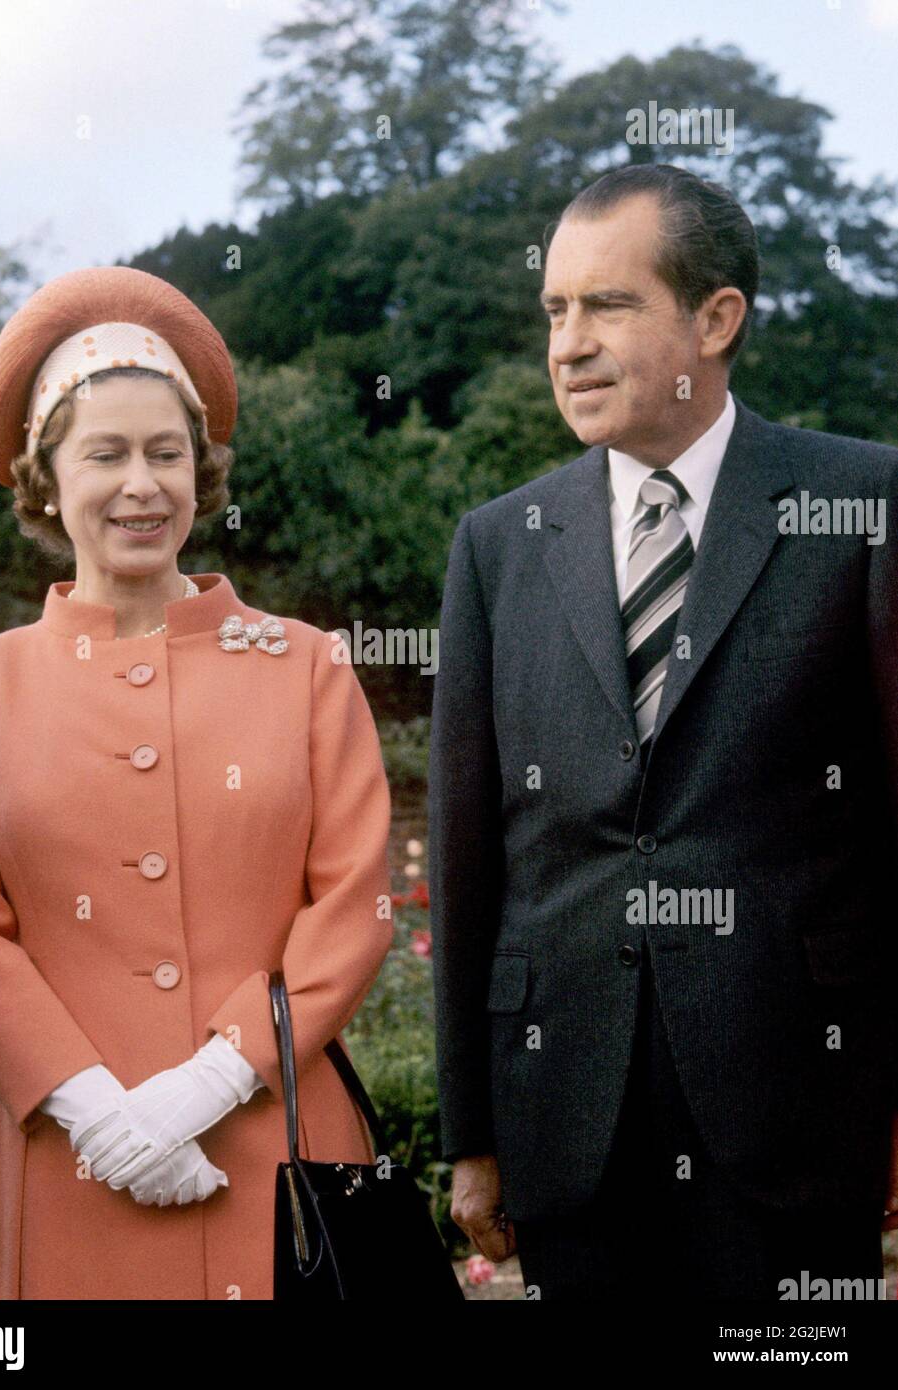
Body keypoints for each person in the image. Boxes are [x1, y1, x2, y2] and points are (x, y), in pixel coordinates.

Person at [429, 164, 898, 1299]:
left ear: (715, 317)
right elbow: (465, 856)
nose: (568, 343)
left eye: (608, 305)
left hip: (798, 1118)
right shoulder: (498, 545)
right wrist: (471, 1132)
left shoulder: (861, 508)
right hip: (565, 1127)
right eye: (553, 310)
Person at [0, 265, 393, 1300]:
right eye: (106, 454)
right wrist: (99, 1112)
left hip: (278, 1143)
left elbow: (352, 903)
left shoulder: (307, 664)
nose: (143, 484)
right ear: (44, 479)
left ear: (201, 471)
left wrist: (205, 1085)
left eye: (166, 454)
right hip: (58, 1157)